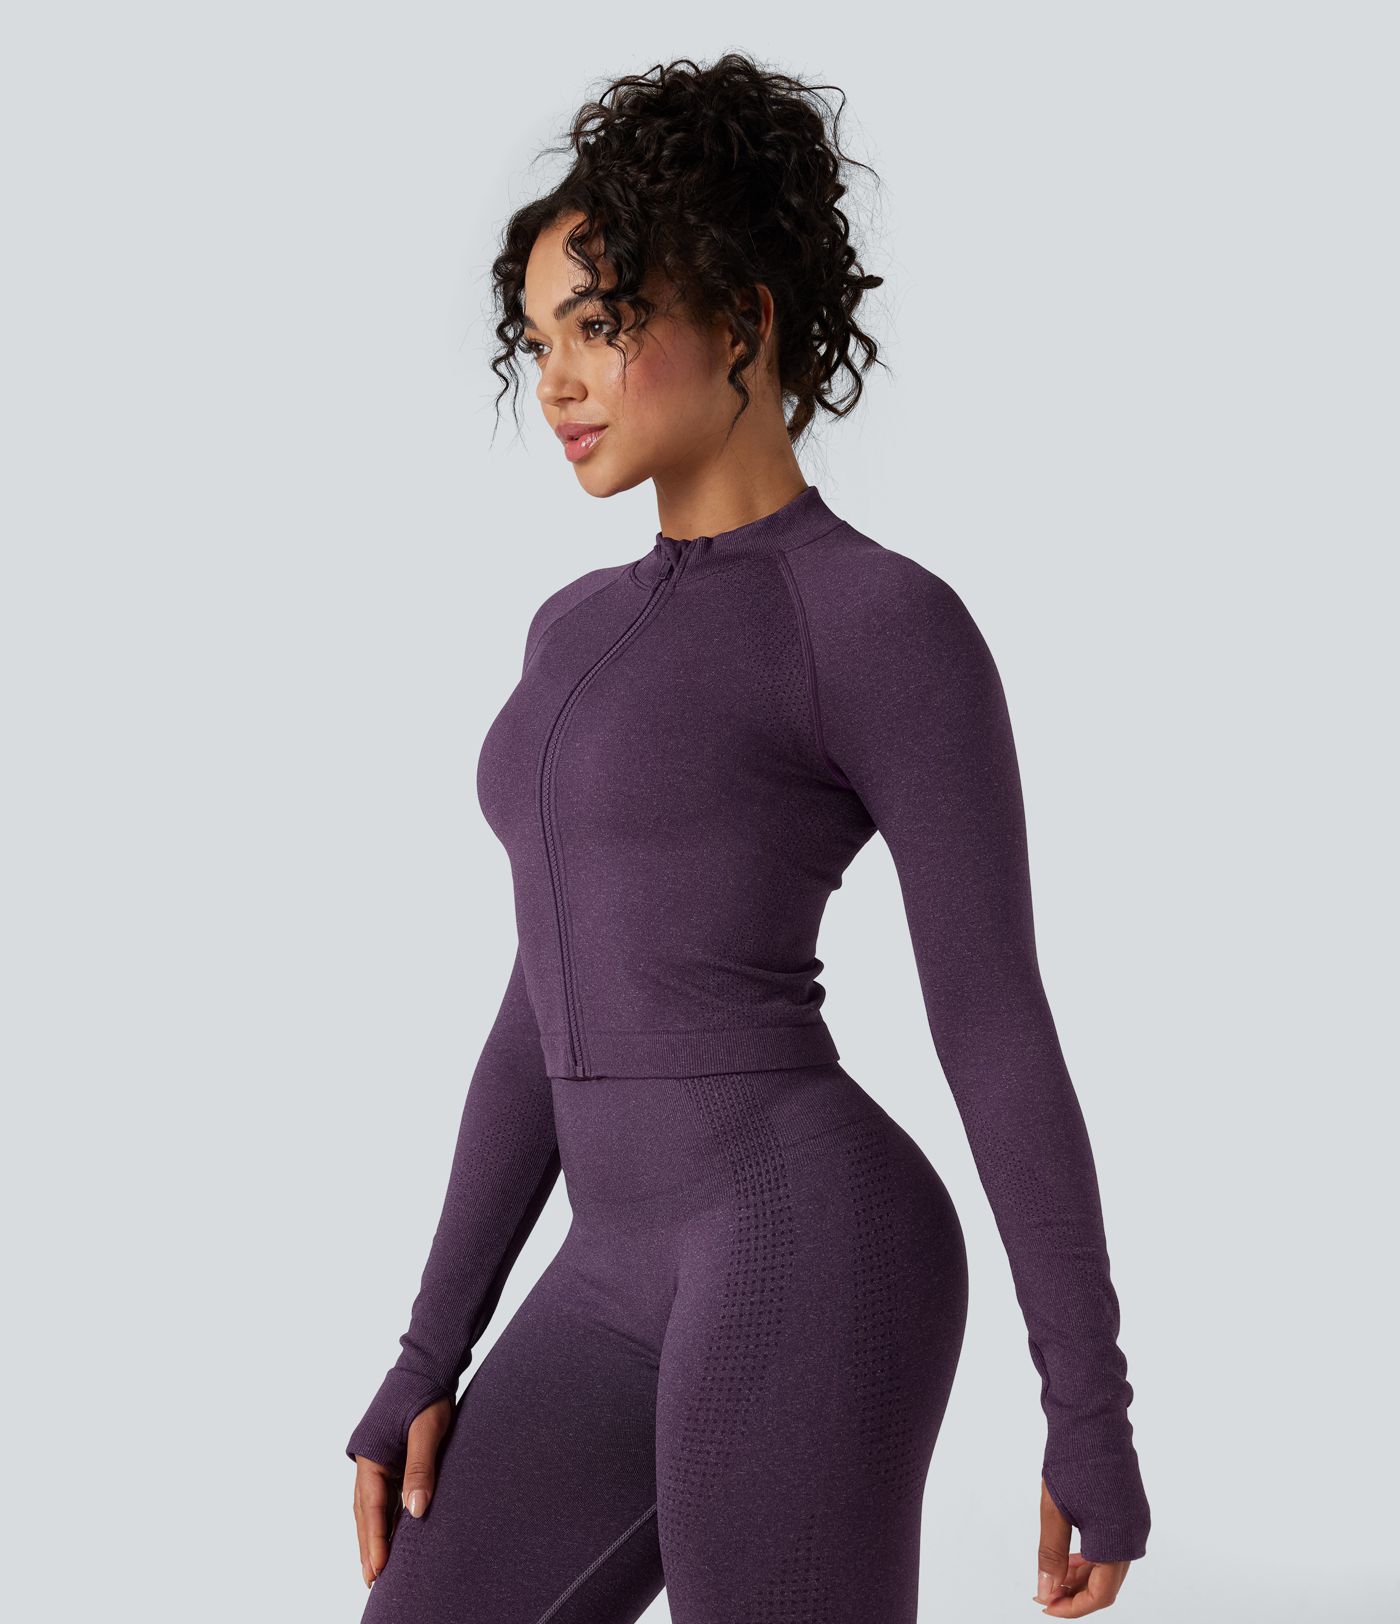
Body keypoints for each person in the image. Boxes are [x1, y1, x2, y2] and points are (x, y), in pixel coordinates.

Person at [345, 52, 1150, 1623]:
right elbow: (544, 1005)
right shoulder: (571, 632)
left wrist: (1090, 1407)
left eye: (599, 323)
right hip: (606, 1273)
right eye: (536, 340)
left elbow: (994, 1023)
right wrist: (428, 1350)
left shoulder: (878, 624)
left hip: (808, 1244)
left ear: (742, 322)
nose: (556, 381)